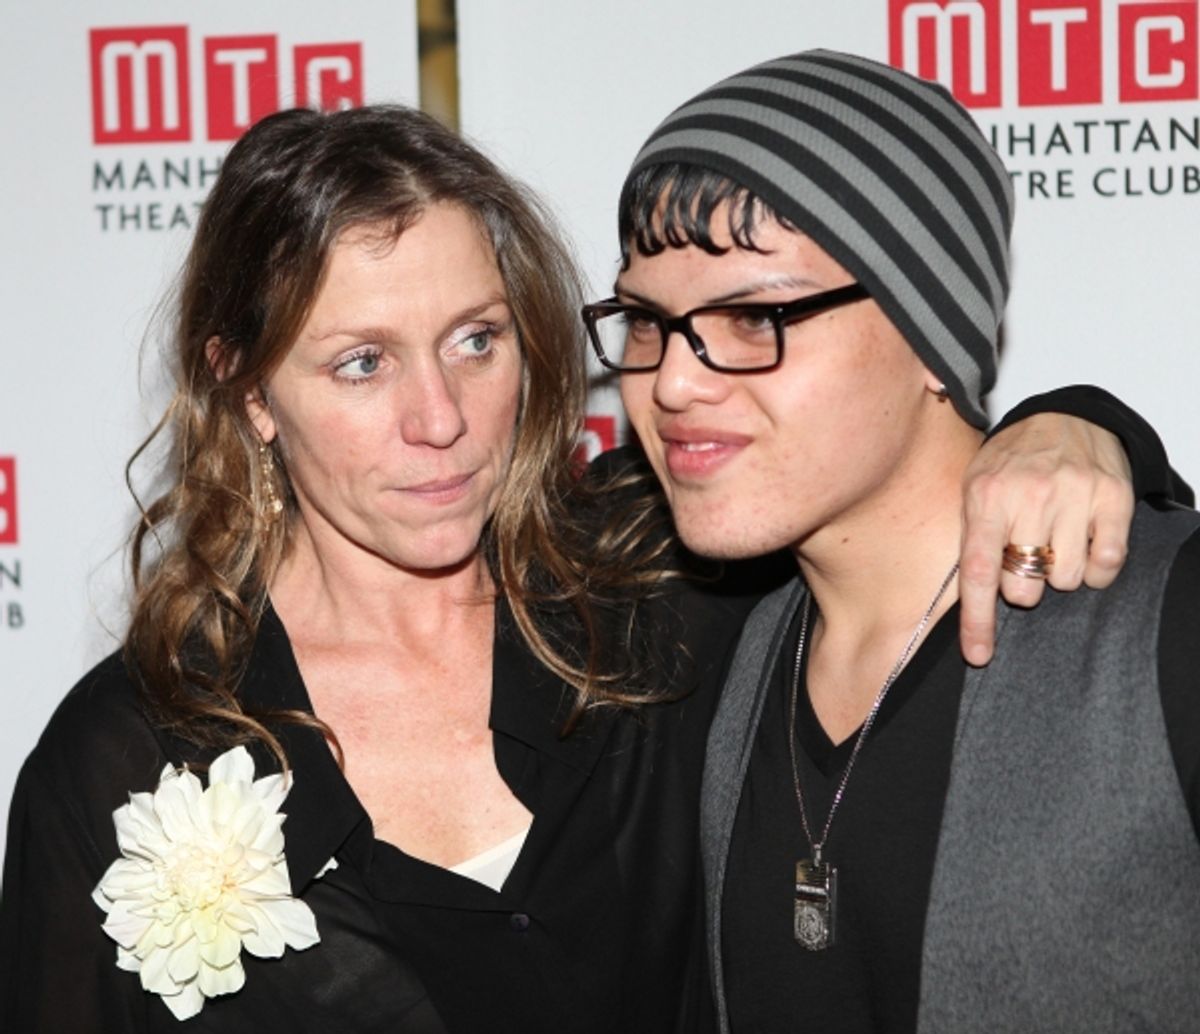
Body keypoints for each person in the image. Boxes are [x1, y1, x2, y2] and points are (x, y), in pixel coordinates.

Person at [0, 103, 1177, 1034]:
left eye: (478, 339)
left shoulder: (659, 586)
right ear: (250, 389)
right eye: (361, 363)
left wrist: (1070, 423)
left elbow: (858, 456)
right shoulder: (125, 757)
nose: (441, 417)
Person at [599, 48, 1200, 1032]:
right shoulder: (688, 643)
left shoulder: (1166, 626)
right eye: (646, 322)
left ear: (932, 333)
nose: (672, 380)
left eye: (755, 315)